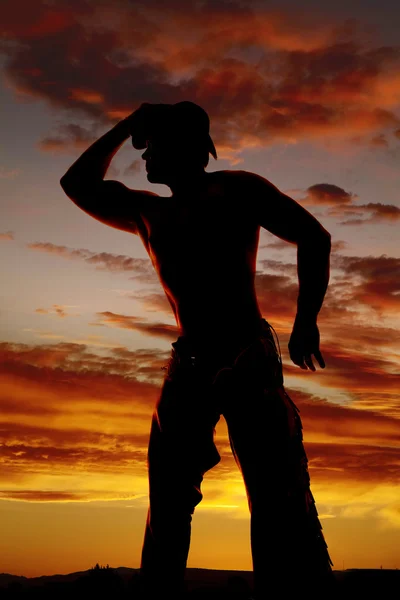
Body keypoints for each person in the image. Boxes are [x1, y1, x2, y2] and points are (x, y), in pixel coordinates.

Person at [60, 101, 336, 598]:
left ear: (185, 147)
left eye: (152, 146)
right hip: (188, 364)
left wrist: (306, 321)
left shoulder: (238, 190)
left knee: (275, 497)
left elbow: (313, 236)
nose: (142, 159)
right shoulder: (148, 212)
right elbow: (76, 184)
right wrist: (130, 123)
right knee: (167, 501)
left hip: (246, 359)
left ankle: (293, 598)